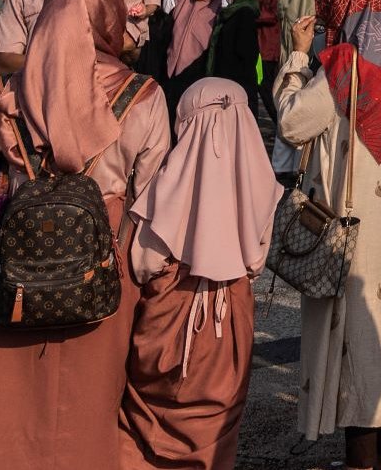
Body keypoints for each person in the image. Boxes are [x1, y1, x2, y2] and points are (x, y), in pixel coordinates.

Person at [0, 0, 169, 468]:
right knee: (88, 405)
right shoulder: (143, 96)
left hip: (19, 265)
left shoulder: (12, 97)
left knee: (9, 406)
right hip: (103, 266)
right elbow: (151, 201)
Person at [274, 0, 381, 467]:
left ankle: (362, 462)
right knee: (380, 332)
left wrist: (298, 57)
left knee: (352, 342)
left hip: (350, 221)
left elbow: (293, 123)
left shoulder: (345, 63)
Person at [121, 78, 282, 470]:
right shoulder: (260, 181)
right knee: (217, 423)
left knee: (144, 418)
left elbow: (143, 262)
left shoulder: (169, 180)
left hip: (170, 313)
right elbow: (255, 261)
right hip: (229, 318)